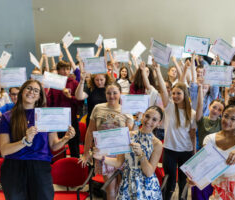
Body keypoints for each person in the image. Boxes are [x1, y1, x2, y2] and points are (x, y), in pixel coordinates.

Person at [0, 80, 76, 200]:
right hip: (14, 167)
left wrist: (65, 139)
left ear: (39, 96)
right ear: (22, 91)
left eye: (36, 90)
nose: (31, 92)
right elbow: (4, 150)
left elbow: (54, 145)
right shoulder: (7, 116)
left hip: (40, 167)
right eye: (28, 88)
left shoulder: (46, 115)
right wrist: (25, 141)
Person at [93, 106, 164, 199]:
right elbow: (119, 162)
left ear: (159, 123)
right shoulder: (128, 135)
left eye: (154, 119)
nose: (149, 121)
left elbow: (149, 172)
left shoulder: (157, 144)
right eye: (147, 116)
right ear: (142, 116)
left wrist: (141, 155)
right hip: (127, 182)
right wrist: (102, 157)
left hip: (146, 187)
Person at [80, 82, 134, 200]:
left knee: (121, 187)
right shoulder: (98, 108)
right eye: (109, 93)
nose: (112, 96)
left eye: (115, 93)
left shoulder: (126, 110)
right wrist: (85, 153)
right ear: (105, 94)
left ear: (120, 94)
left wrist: (136, 121)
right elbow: (90, 132)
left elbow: (130, 134)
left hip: (122, 153)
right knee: (110, 188)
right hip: (103, 153)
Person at [197, 94, 235, 200]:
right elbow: (204, 163)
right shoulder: (210, 138)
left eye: (233, 119)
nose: (227, 121)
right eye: (226, 116)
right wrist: (195, 177)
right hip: (219, 188)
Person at [154, 61, 196, 200]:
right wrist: (158, 70)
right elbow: (162, 89)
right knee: (170, 182)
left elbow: (192, 135)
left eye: (179, 93)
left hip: (186, 152)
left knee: (183, 183)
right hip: (170, 150)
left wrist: (194, 154)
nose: (175, 96)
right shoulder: (170, 107)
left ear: (185, 94)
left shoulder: (193, 113)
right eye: (173, 93)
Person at [191, 84, 225, 200]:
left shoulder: (221, 123)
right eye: (214, 107)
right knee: (198, 186)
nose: (216, 110)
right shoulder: (202, 120)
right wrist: (200, 89)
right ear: (209, 106)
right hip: (201, 155)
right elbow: (200, 105)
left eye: (219, 109)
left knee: (210, 186)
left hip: (214, 157)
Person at [47, 60, 83, 158]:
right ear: (58, 71)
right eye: (63, 69)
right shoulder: (53, 84)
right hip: (57, 120)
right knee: (57, 145)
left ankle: (76, 167)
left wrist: (70, 97)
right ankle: (60, 167)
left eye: (68, 69)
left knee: (74, 146)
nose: (66, 72)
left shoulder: (74, 83)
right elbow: (49, 103)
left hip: (71, 119)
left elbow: (80, 102)